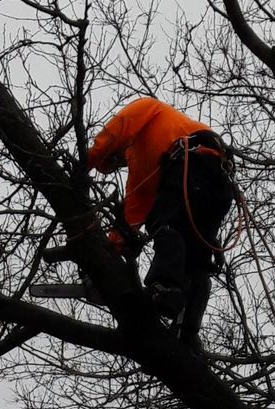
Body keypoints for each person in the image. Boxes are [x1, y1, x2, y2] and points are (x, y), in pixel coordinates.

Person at [83, 95, 237, 335]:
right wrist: (112, 249)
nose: (118, 163)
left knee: (165, 224)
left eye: (114, 159)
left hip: (193, 161)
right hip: (215, 185)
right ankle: (187, 326)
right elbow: (132, 213)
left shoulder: (149, 108)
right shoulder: (140, 170)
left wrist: (88, 160)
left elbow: (119, 126)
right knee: (195, 255)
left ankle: (165, 287)